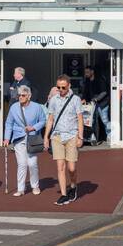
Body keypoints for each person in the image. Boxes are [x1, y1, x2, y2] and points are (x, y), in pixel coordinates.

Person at [44, 74, 85, 206]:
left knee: (71, 168)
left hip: (72, 135)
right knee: (60, 167)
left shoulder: (76, 100)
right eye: (58, 87)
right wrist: (46, 137)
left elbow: (80, 119)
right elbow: (50, 119)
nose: (61, 90)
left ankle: (73, 186)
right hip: (57, 136)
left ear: (69, 86)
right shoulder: (54, 100)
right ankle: (63, 194)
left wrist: (80, 136)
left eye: (63, 87)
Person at [3, 84, 46, 196]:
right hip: (18, 138)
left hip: (32, 138)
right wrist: (7, 138)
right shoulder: (14, 107)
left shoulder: (37, 107)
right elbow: (9, 123)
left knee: (32, 164)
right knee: (21, 164)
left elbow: (43, 121)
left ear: (29, 96)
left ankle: (35, 186)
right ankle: (20, 189)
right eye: (19, 95)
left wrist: (34, 127)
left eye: (23, 95)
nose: (20, 97)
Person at [81, 66, 111, 144]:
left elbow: (104, 92)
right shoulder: (87, 81)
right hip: (92, 104)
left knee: (104, 120)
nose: (86, 74)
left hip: (102, 104)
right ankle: (93, 137)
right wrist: (83, 99)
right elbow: (86, 92)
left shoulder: (100, 80)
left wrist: (96, 99)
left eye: (87, 72)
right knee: (91, 121)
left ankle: (110, 136)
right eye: (85, 72)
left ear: (92, 72)